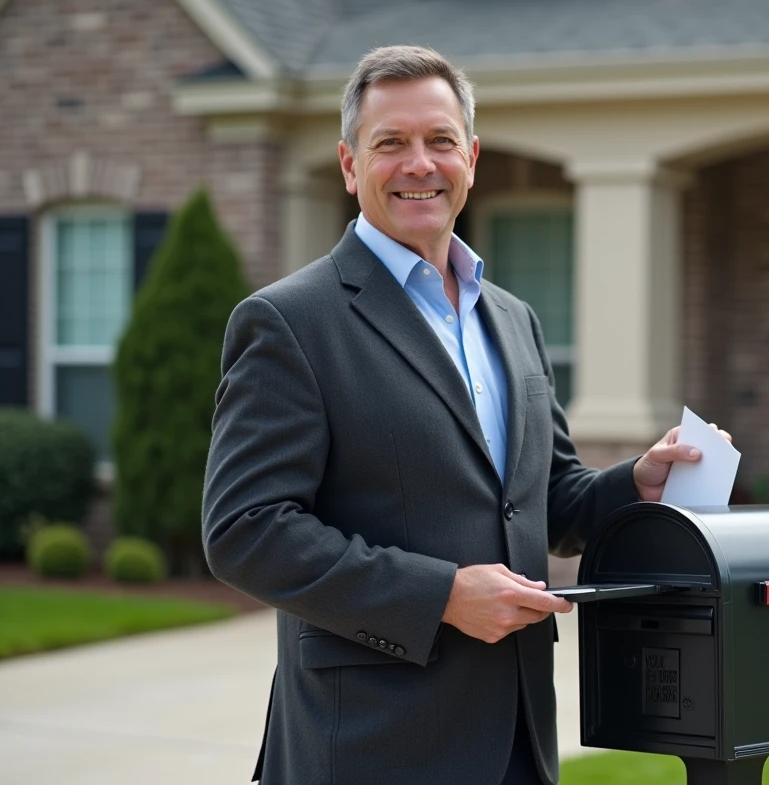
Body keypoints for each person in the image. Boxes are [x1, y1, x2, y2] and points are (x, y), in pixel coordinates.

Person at [201, 45, 729, 785]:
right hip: (369, 745)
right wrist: (442, 595)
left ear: (470, 158)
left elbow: (542, 502)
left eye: (440, 141)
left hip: (518, 734)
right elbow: (244, 531)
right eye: (391, 143)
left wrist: (634, 483)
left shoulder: (512, 319)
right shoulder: (290, 322)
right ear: (351, 166)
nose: (420, 163)